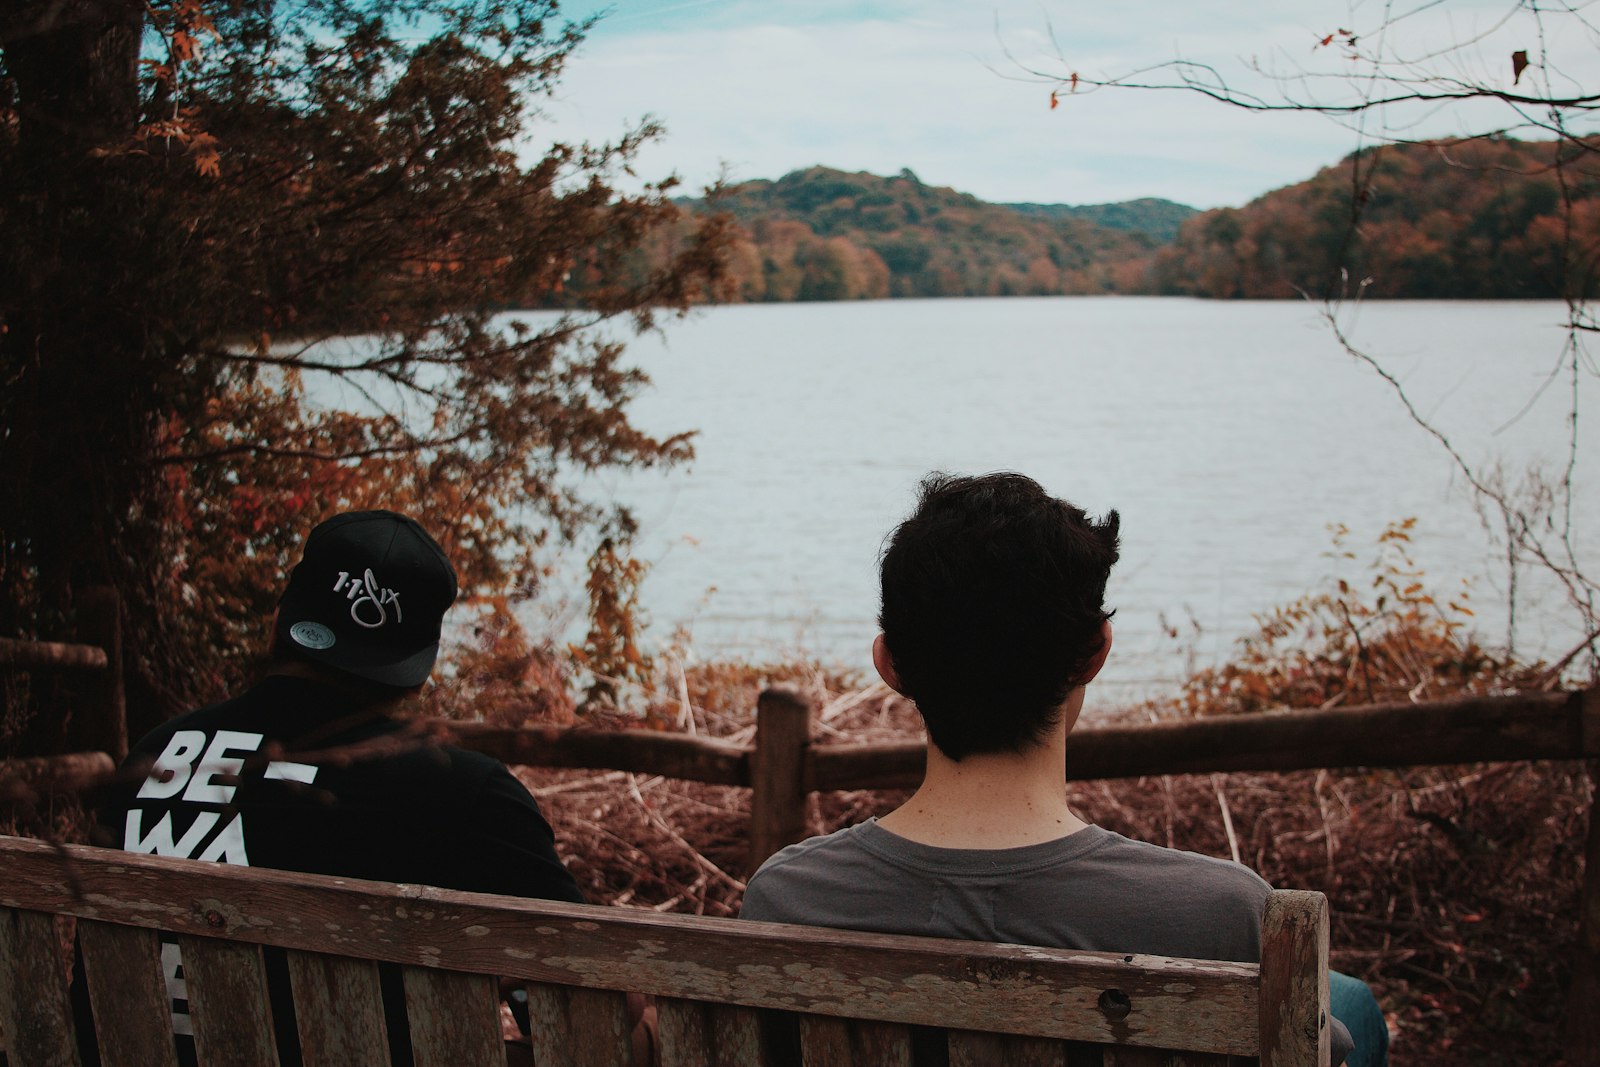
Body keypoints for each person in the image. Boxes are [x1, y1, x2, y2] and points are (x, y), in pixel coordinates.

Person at [739, 472, 1387, 1067]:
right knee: (1349, 1003)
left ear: (889, 663)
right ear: (1093, 653)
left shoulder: (787, 897)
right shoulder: (1223, 917)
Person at [90, 509, 585, 1063]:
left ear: (280, 620)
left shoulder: (157, 756)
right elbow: (590, 1011)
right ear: (418, 668)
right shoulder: (466, 794)